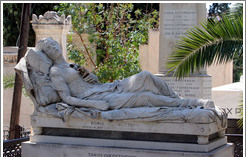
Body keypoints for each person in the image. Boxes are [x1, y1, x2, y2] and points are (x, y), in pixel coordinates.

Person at [36, 37, 214, 111]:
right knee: (144, 97)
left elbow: (94, 82)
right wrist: (96, 105)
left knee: (145, 75)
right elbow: (67, 99)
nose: (54, 48)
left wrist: (92, 77)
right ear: (47, 54)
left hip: (104, 88)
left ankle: (182, 101)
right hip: (98, 98)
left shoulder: (72, 65)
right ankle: (190, 105)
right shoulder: (55, 71)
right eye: (49, 48)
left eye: (54, 44)